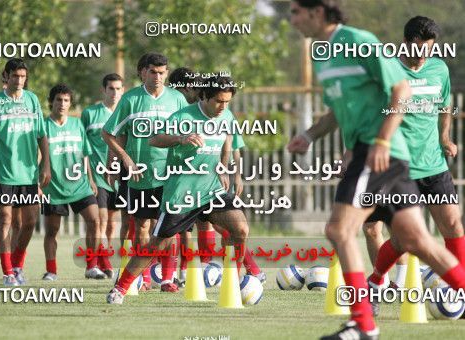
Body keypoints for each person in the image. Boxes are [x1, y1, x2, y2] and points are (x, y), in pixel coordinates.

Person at [288, 1, 465, 339]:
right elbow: (341, 111)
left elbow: (400, 90)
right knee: (416, 240)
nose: (291, 18)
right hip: (378, 153)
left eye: (296, 11)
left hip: (377, 152)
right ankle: (366, 317)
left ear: (317, 12)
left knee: (340, 231)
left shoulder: (359, 42)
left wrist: (381, 142)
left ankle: (363, 324)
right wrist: (309, 135)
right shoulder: (323, 55)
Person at [107, 75, 251, 304]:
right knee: (157, 244)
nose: (223, 107)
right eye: (218, 101)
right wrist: (181, 138)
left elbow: (228, 140)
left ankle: (239, 278)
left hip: (212, 190)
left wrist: (224, 168)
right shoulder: (183, 116)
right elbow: (155, 139)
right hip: (182, 196)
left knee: (241, 228)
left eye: (227, 102)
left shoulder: (227, 116)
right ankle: (120, 288)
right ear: (204, 96)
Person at [364, 16, 465, 306]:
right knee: (405, 240)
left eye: (429, 50)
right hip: (398, 170)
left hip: (434, 165)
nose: (424, 56)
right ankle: (376, 278)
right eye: (419, 49)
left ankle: (459, 290)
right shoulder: (388, 70)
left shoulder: (439, 69)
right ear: (406, 42)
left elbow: (446, 105)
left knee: (454, 226)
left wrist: (444, 138)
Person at [169, 67, 266, 285]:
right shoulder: (185, 113)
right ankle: (195, 269)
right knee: (193, 228)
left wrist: (234, 173)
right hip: (184, 182)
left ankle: (235, 270)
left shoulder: (218, 110)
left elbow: (232, 145)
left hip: (211, 182)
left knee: (228, 228)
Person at [102, 53, 188, 292]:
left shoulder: (178, 99)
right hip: (140, 176)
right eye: (153, 72)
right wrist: (124, 159)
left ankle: (169, 278)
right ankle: (145, 276)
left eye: (162, 72)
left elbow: (187, 135)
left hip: (170, 175)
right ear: (142, 73)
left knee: (168, 228)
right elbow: (109, 134)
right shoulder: (130, 100)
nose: (158, 76)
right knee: (141, 227)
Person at [0, 58, 51, 286]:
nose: (19, 81)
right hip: (5, 174)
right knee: (4, 219)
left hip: (28, 174)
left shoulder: (33, 100)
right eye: (15, 76)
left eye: (23, 76)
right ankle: (8, 272)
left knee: (29, 222)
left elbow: (41, 135)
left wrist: (46, 164)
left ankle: (17, 264)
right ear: (6, 77)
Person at [41, 84, 104, 280]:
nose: (62, 104)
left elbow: (85, 154)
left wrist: (91, 180)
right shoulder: (43, 126)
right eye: (58, 100)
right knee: (52, 230)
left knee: (94, 220)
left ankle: (91, 266)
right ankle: (51, 271)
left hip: (80, 185)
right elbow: (37, 156)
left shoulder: (77, 124)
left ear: (70, 103)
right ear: (51, 102)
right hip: (54, 187)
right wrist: (37, 184)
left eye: (66, 100)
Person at [81, 73, 125, 278]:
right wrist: (86, 176)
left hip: (119, 178)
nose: (115, 92)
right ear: (104, 90)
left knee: (110, 226)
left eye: (118, 89)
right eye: (111, 89)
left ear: (122, 90)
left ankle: (102, 259)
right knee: (100, 220)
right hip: (98, 177)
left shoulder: (126, 113)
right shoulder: (90, 113)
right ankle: (100, 263)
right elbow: (83, 148)